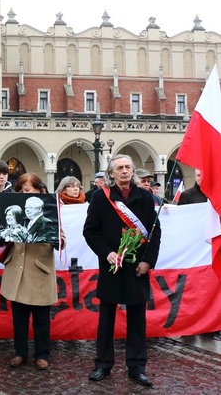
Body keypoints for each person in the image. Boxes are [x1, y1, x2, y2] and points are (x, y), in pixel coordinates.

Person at [83, 154, 161, 387]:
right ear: (112, 174)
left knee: (137, 320)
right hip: (111, 267)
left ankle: (137, 366)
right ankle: (103, 364)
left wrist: (148, 262)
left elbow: (155, 232)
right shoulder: (100, 198)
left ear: (132, 171)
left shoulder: (146, 198)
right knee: (106, 319)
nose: (125, 171)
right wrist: (106, 253)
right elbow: (90, 232)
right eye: (120, 168)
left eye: (128, 167)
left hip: (137, 267)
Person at [0, 172, 59, 370]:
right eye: (21, 191)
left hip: (38, 271)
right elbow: (0, 238)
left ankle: (42, 354)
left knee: (41, 319)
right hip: (17, 269)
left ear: (40, 191)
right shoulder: (15, 211)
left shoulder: (51, 212)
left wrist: (55, 238)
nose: (23, 194)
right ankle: (20, 353)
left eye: (27, 190)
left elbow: (62, 240)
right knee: (19, 318)